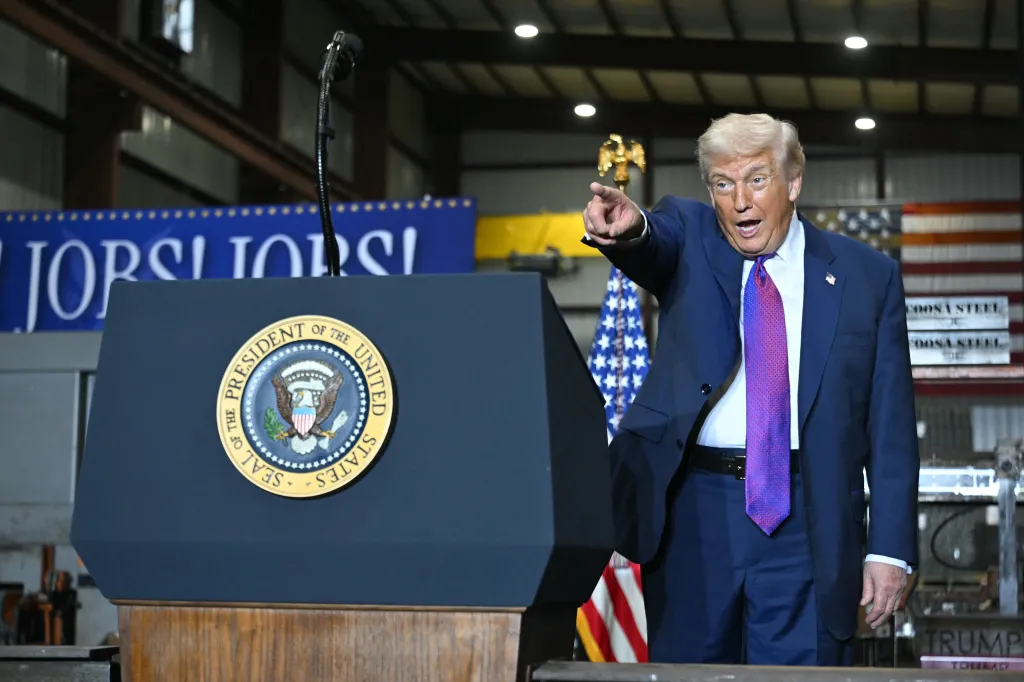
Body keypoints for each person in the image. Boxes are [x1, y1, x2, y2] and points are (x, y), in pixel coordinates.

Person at [581, 113, 919, 666]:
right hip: (695, 515)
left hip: (809, 520)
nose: (739, 200)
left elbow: (891, 431)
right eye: (722, 183)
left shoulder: (867, 277)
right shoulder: (690, 239)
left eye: (757, 179)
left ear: (794, 182)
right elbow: (651, 238)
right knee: (688, 674)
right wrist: (631, 227)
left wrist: (889, 549)